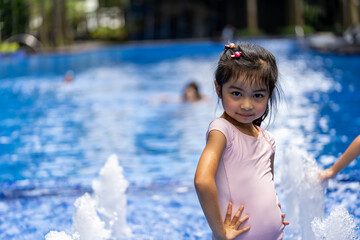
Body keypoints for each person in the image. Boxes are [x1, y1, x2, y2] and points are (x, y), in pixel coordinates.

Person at [194, 42, 288, 240]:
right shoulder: (222, 131)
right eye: (236, 93)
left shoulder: (267, 140)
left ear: (269, 94)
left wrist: (272, 210)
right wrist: (220, 232)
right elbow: (202, 181)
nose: (247, 105)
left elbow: (266, 186)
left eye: (258, 95)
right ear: (219, 90)